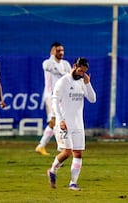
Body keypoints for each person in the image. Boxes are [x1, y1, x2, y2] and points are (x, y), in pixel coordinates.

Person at [47, 57, 96, 191]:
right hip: (64, 123)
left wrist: (87, 84)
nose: (81, 73)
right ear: (74, 66)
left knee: (78, 153)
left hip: (78, 124)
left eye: (84, 72)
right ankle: (52, 170)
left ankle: (73, 183)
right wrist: (60, 120)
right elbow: (55, 102)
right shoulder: (63, 82)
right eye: (80, 70)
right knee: (68, 151)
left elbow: (92, 99)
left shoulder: (82, 82)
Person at [35, 42, 72, 155]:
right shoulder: (48, 63)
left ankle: (41, 146)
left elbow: (70, 78)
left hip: (63, 97)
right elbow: (47, 67)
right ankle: (60, 147)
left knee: (56, 121)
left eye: (62, 50)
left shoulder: (66, 64)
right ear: (52, 51)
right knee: (55, 120)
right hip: (51, 96)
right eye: (58, 50)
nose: (61, 53)